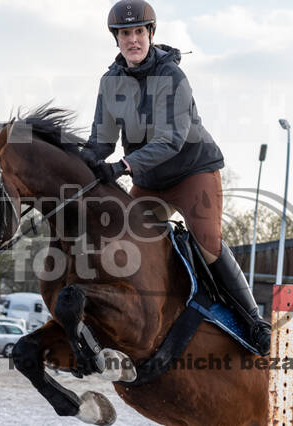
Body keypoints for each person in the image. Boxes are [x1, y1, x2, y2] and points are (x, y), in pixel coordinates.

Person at [78, 0, 271, 355]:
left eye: (139, 32)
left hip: (192, 170)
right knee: (125, 240)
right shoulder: (110, 82)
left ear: (150, 34)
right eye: (125, 34)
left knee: (206, 242)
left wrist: (122, 167)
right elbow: (101, 140)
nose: (132, 40)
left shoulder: (173, 77)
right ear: (116, 39)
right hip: (150, 178)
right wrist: (79, 162)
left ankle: (253, 320)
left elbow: (171, 139)